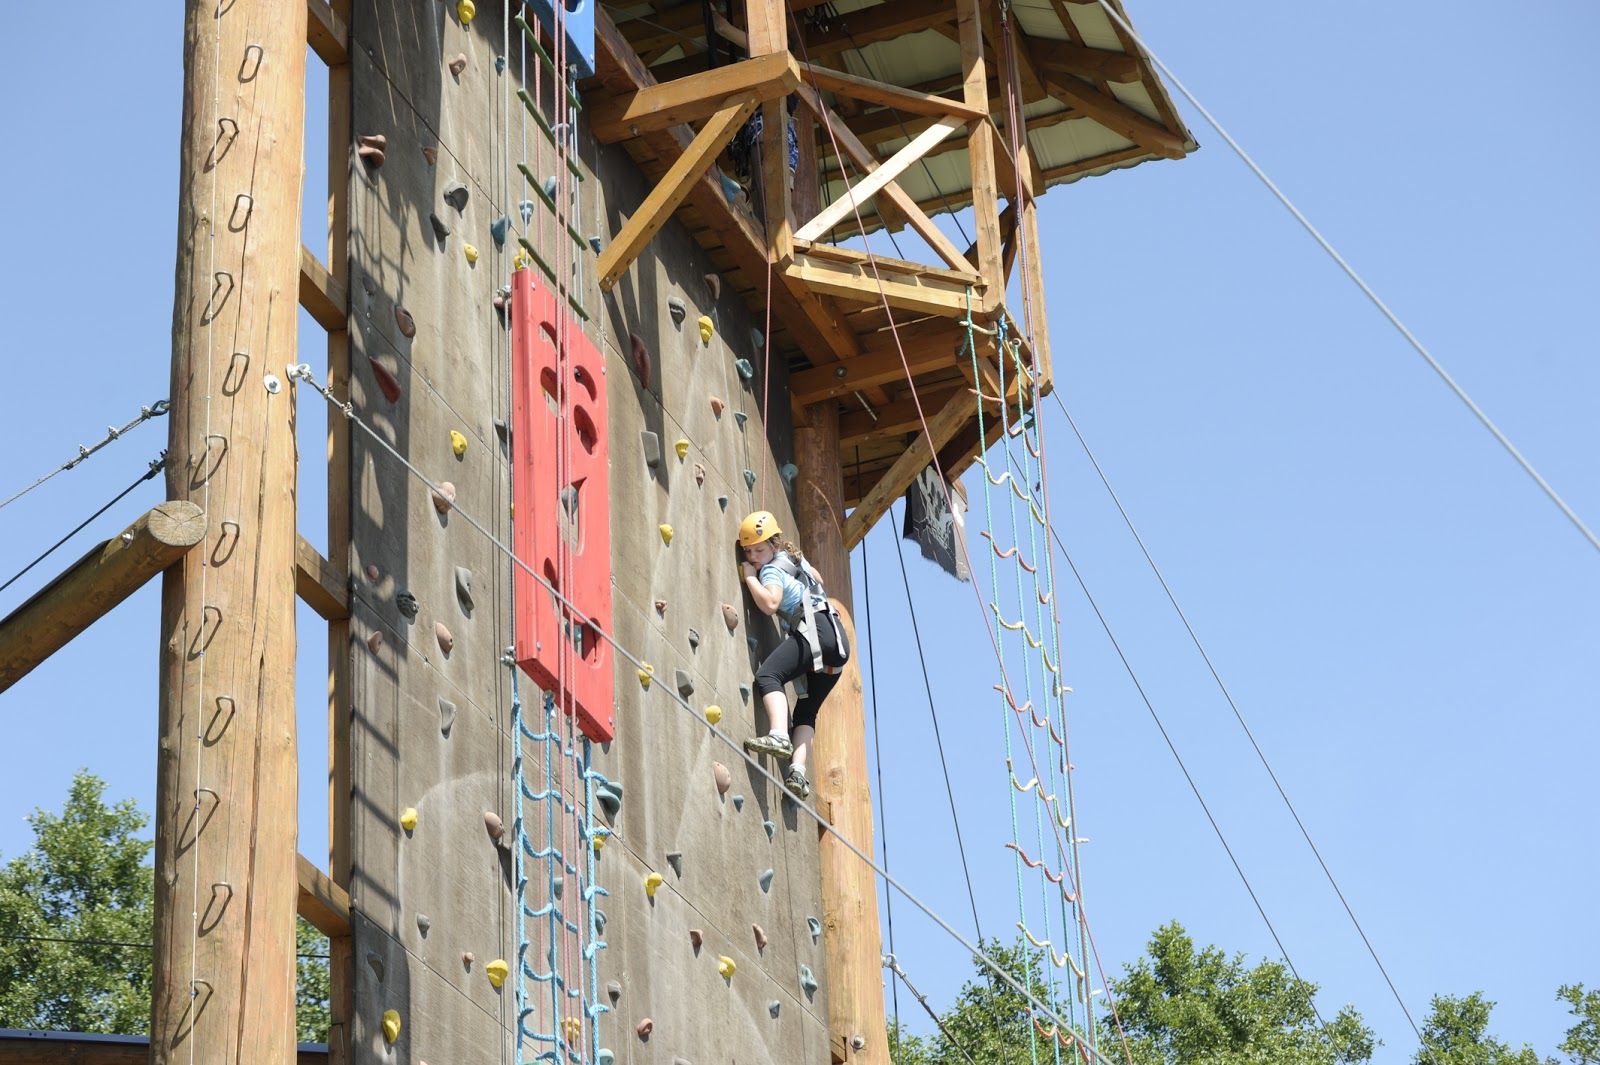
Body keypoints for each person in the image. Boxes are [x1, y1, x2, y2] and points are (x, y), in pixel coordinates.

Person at [737, 509, 849, 800]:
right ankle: (797, 773)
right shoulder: (796, 560)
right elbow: (816, 576)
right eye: (748, 552)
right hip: (836, 644)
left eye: (759, 550)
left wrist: (751, 578)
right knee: (806, 711)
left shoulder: (771, 569)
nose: (753, 557)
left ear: (774, 545)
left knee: (768, 675)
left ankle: (778, 735)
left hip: (816, 632)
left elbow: (771, 603)